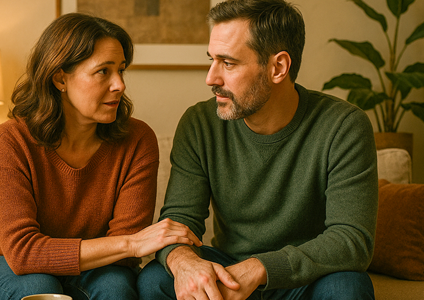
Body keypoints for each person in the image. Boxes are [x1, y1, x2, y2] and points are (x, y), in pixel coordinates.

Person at [137, 0, 379, 299]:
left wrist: (259, 268)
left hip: (303, 278)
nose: (211, 78)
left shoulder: (343, 126)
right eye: (212, 60)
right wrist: (184, 263)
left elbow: (351, 240)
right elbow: (178, 222)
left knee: (348, 286)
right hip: (228, 270)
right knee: (155, 279)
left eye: (228, 63)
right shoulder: (200, 123)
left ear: (278, 67)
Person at [0, 13, 201, 300]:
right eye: (103, 71)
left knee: (117, 289)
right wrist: (131, 244)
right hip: (1, 261)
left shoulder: (138, 140)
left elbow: (124, 254)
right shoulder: (10, 139)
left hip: (98, 267)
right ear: (60, 78)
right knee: (41, 290)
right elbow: (23, 253)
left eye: (121, 71)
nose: (120, 85)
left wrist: (125, 246)